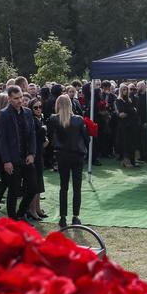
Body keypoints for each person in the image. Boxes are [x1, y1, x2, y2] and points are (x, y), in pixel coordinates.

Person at [0, 86, 37, 221]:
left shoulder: (27, 112)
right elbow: (1, 140)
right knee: (13, 191)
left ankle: (21, 213)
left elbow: (32, 135)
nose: (20, 100)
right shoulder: (3, 114)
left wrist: (32, 153)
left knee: (32, 187)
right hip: (12, 159)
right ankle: (13, 220)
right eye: (16, 98)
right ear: (9, 99)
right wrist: (6, 161)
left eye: (20, 97)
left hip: (26, 157)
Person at [48, 94, 89, 228]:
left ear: (58, 105)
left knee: (63, 187)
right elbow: (86, 138)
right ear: (70, 105)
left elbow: (50, 135)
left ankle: (63, 217)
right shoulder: (78, 119)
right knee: (77, 187)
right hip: (77, 155)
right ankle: (75, 216)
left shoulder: (54, 119)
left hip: (62, 155)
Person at [28, 97, 48, 220]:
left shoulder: (38, 119)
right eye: (35, 107)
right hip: (34, 155)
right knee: (35, 184)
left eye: (40, 107)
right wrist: (43, 130)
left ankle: (37, 208)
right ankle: (32, 210)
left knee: (39, 183)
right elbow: (35, 137)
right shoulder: (32, 120)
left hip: (39, 153)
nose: (39, 109)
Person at [116, 83, 139, 167]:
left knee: (132, 143)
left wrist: (129, 111)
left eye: (126, 89)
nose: (126, 91)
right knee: (125, 143)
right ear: (121, 91)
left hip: (132, 124)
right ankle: (126, 161)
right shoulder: (118, 100)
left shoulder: (129, 100)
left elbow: (134, 111)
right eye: (124, 89)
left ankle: (133, 160)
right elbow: (121, 113)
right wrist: (131, 110)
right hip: (124, 126)